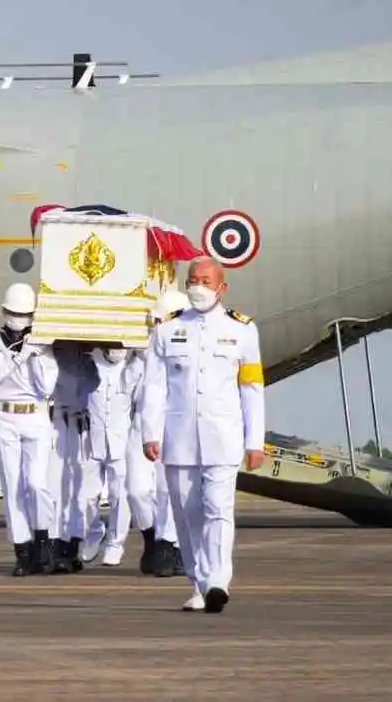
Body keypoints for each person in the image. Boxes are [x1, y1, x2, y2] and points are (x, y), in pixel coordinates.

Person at [141, 256, 265, 615]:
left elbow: (252, 387)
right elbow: (153, 386)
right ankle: (199, 583)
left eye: (206, 281)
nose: (198, 286)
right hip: (179, 437)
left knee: (218, 509)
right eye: (193, 279)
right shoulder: (167, 329)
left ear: (222, 287)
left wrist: (254, 440)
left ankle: (218, 582)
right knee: (187, 513)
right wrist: (151, 431)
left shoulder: (242, 330)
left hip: (223, 437)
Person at [0, 282, 59, 577]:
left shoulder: (43, 344)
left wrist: (35, 355)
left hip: (35, 416)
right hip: (5, 416)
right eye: (13, 312)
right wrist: (19, 357)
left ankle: (44, 540)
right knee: (12, 486)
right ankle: (22, 551)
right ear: (4, 311)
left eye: (24, 314)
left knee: (37, 484)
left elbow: (47, 387)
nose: (18, 318)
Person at [131, 289, 188, 577]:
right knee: (137, 490)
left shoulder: (187, 348)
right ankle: (151, 539)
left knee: (169, 490)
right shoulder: (138, 348)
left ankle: (169, 547)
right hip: (139, 426)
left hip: (173, 426)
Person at [79, 345, 142, 567]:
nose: (117, 350)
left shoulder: (135, 364)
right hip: (92, 439)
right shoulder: (89, 361)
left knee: (119, 496)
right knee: (86, 495)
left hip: (121, 441)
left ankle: (116, 544)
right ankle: (94, 532)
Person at [47, 341, 92, 574]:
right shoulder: (47, 348)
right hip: (55, 419)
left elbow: (95, 383)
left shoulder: (89, 356)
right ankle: (55, 543)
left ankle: (72, 543)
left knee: (78, 487)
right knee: (55, 484)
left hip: (80, 421)